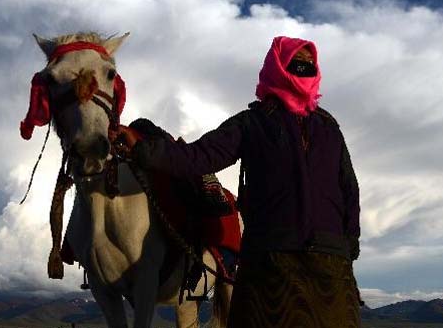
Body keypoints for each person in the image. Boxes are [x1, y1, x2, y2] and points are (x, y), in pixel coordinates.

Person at [115, 36, 361, 327]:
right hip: (286, 262)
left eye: (309, 65)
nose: (303, 69)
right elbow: (198, 157)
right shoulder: (261, 123)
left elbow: (349, 190)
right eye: (296, 63)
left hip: (309, 264)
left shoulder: (324, 127)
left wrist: (346, 248)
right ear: (279, 67)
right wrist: (143, 149)